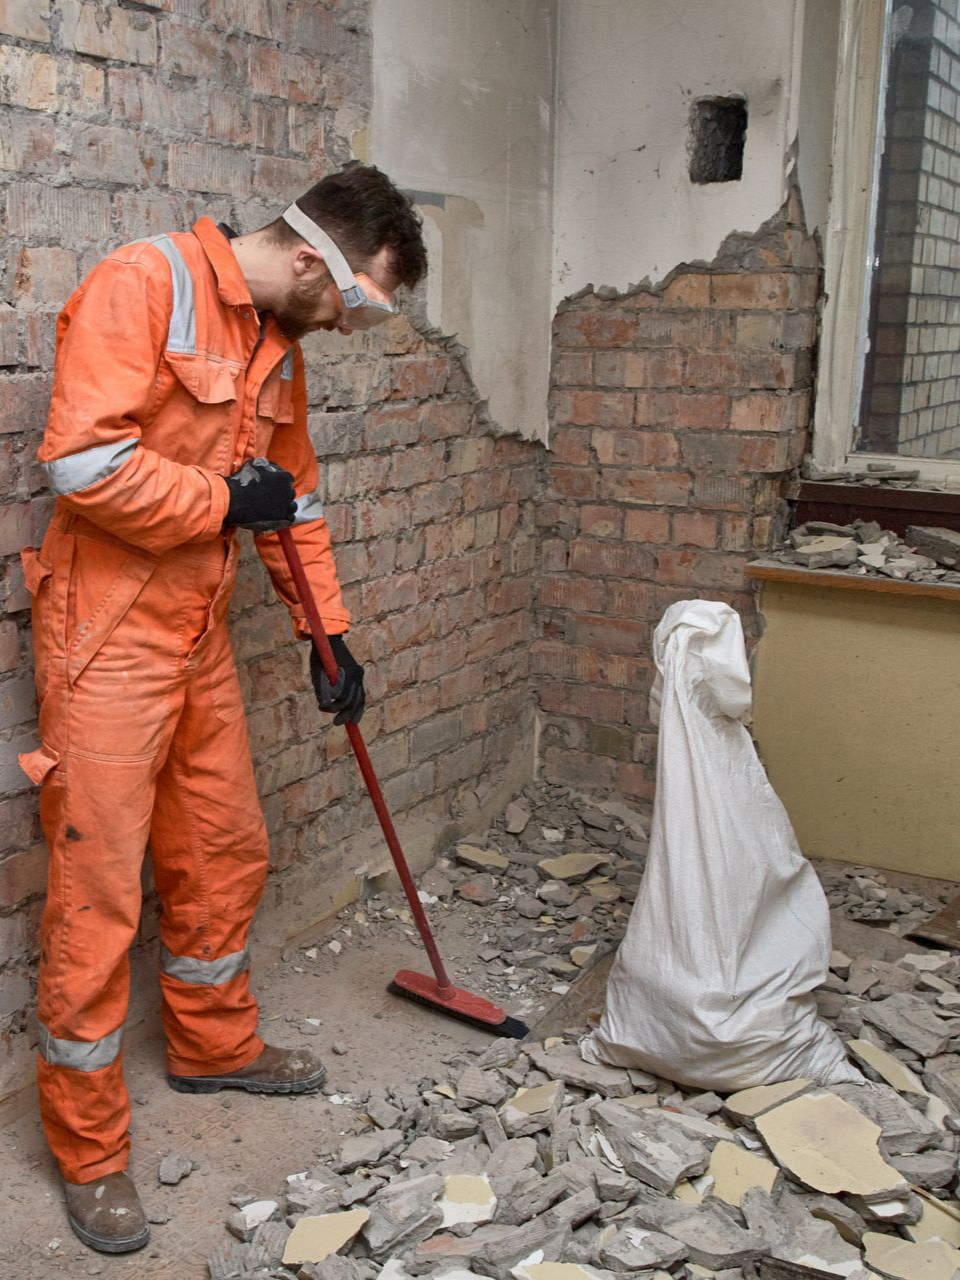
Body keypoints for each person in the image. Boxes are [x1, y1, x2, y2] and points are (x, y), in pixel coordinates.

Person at [18, 164, 427, 1255]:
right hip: (106, 626)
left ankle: (211, 1043)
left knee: (224, 844)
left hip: (196, 630)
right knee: (100, 890)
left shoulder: (274, 346)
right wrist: (216, 499)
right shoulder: (143, 282)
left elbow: (296, 501)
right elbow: (84, 463)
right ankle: (91, 1151)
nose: (348, 324)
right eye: (356, 300)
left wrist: (324, 632)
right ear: (309, 261)